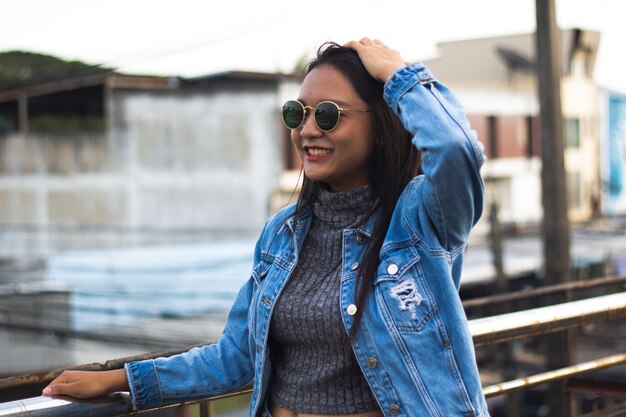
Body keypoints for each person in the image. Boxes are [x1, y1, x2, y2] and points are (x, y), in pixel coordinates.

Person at [43, 38, 490, 417]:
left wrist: (398, 74)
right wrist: (121, 380)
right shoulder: (283, 233)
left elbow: (455, 148)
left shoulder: (419, 219)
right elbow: (236, 356)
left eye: (329, 115)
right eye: (298, 113)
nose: (308, 130)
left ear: (380, 128)